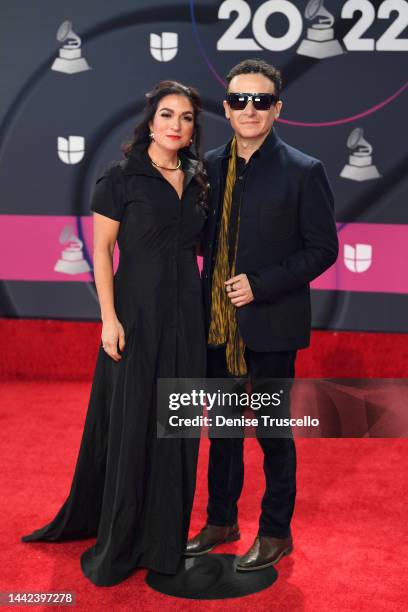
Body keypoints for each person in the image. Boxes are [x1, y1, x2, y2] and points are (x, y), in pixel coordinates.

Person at [21, 80, 208, 586]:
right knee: (130, 422)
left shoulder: (198, 177)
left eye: (186, 117)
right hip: (134, 315)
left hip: (188, 318)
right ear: (150, 122)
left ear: (193, 129)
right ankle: (123, 540)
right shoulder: (121, 177)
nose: (176, 124)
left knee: (179, 424)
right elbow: (101, 251)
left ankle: (163, 538)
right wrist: (108, 317)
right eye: (167, 115)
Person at [185, 59, 339, 570]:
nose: (249, 108)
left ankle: (276, 532)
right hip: (215, 325)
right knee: (222, 430)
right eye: (238, 100)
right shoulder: (205, 165)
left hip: (272, 323)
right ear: (226, 108)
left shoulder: (303, 170)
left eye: (260, 100)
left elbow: (322, 249)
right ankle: (220, 520)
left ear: (277, 108)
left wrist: (261, 284)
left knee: (272, 432)